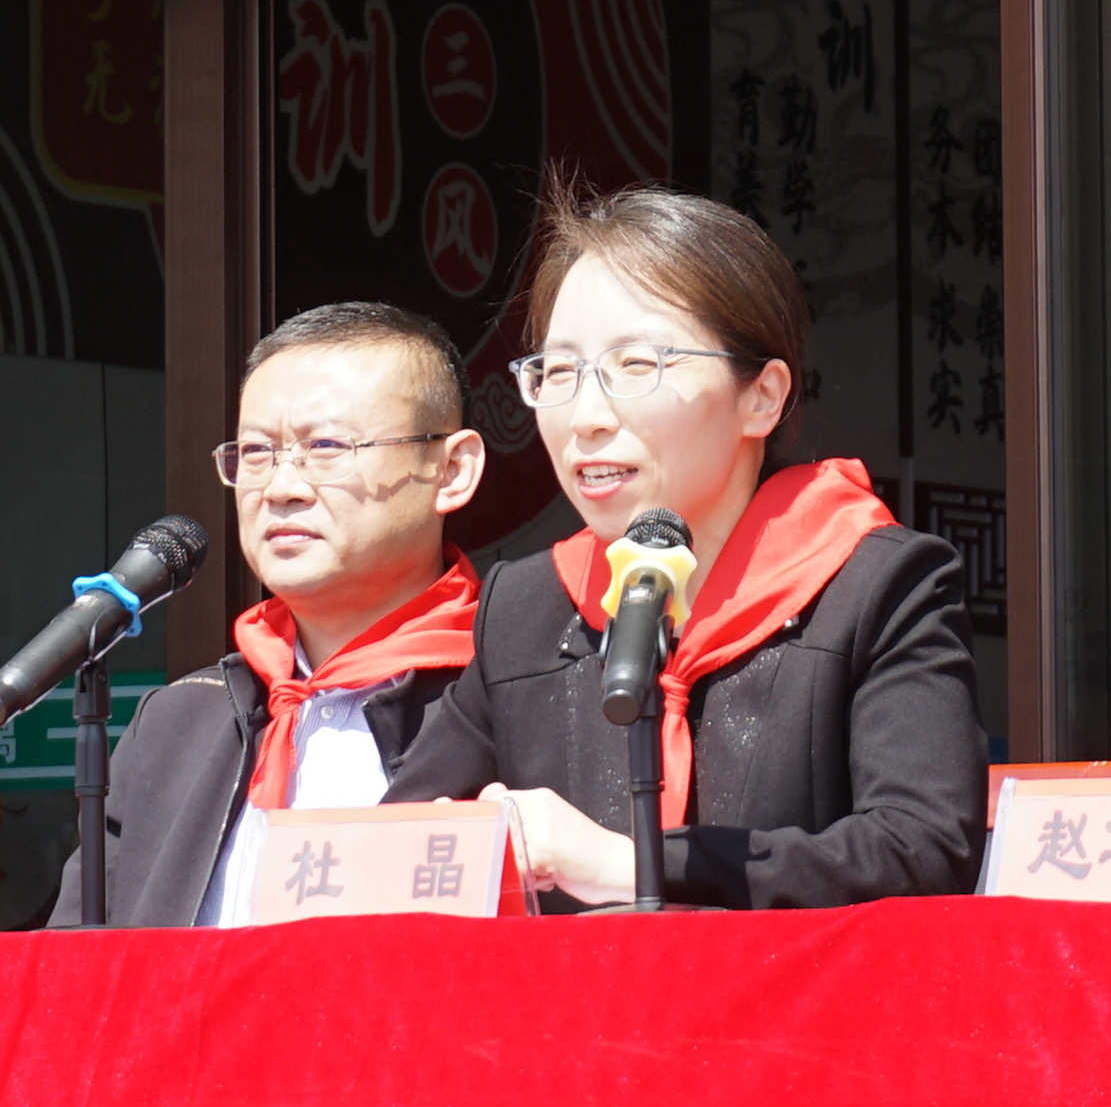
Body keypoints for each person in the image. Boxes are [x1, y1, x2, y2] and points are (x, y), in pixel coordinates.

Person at [408, 181, 987, 909]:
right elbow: (393, 847)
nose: (585, 416)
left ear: (762, 397)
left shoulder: (878, 587)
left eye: (636, 365)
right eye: (558, 372)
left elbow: (924, 851)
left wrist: (629, 865)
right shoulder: (525, 609)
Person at [49, 302, 486, 928]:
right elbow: (78, 963)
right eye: (255, 452)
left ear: (451, 470)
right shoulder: (179, 724)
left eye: (326, 446)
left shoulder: (511, 699)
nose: (280, 487)